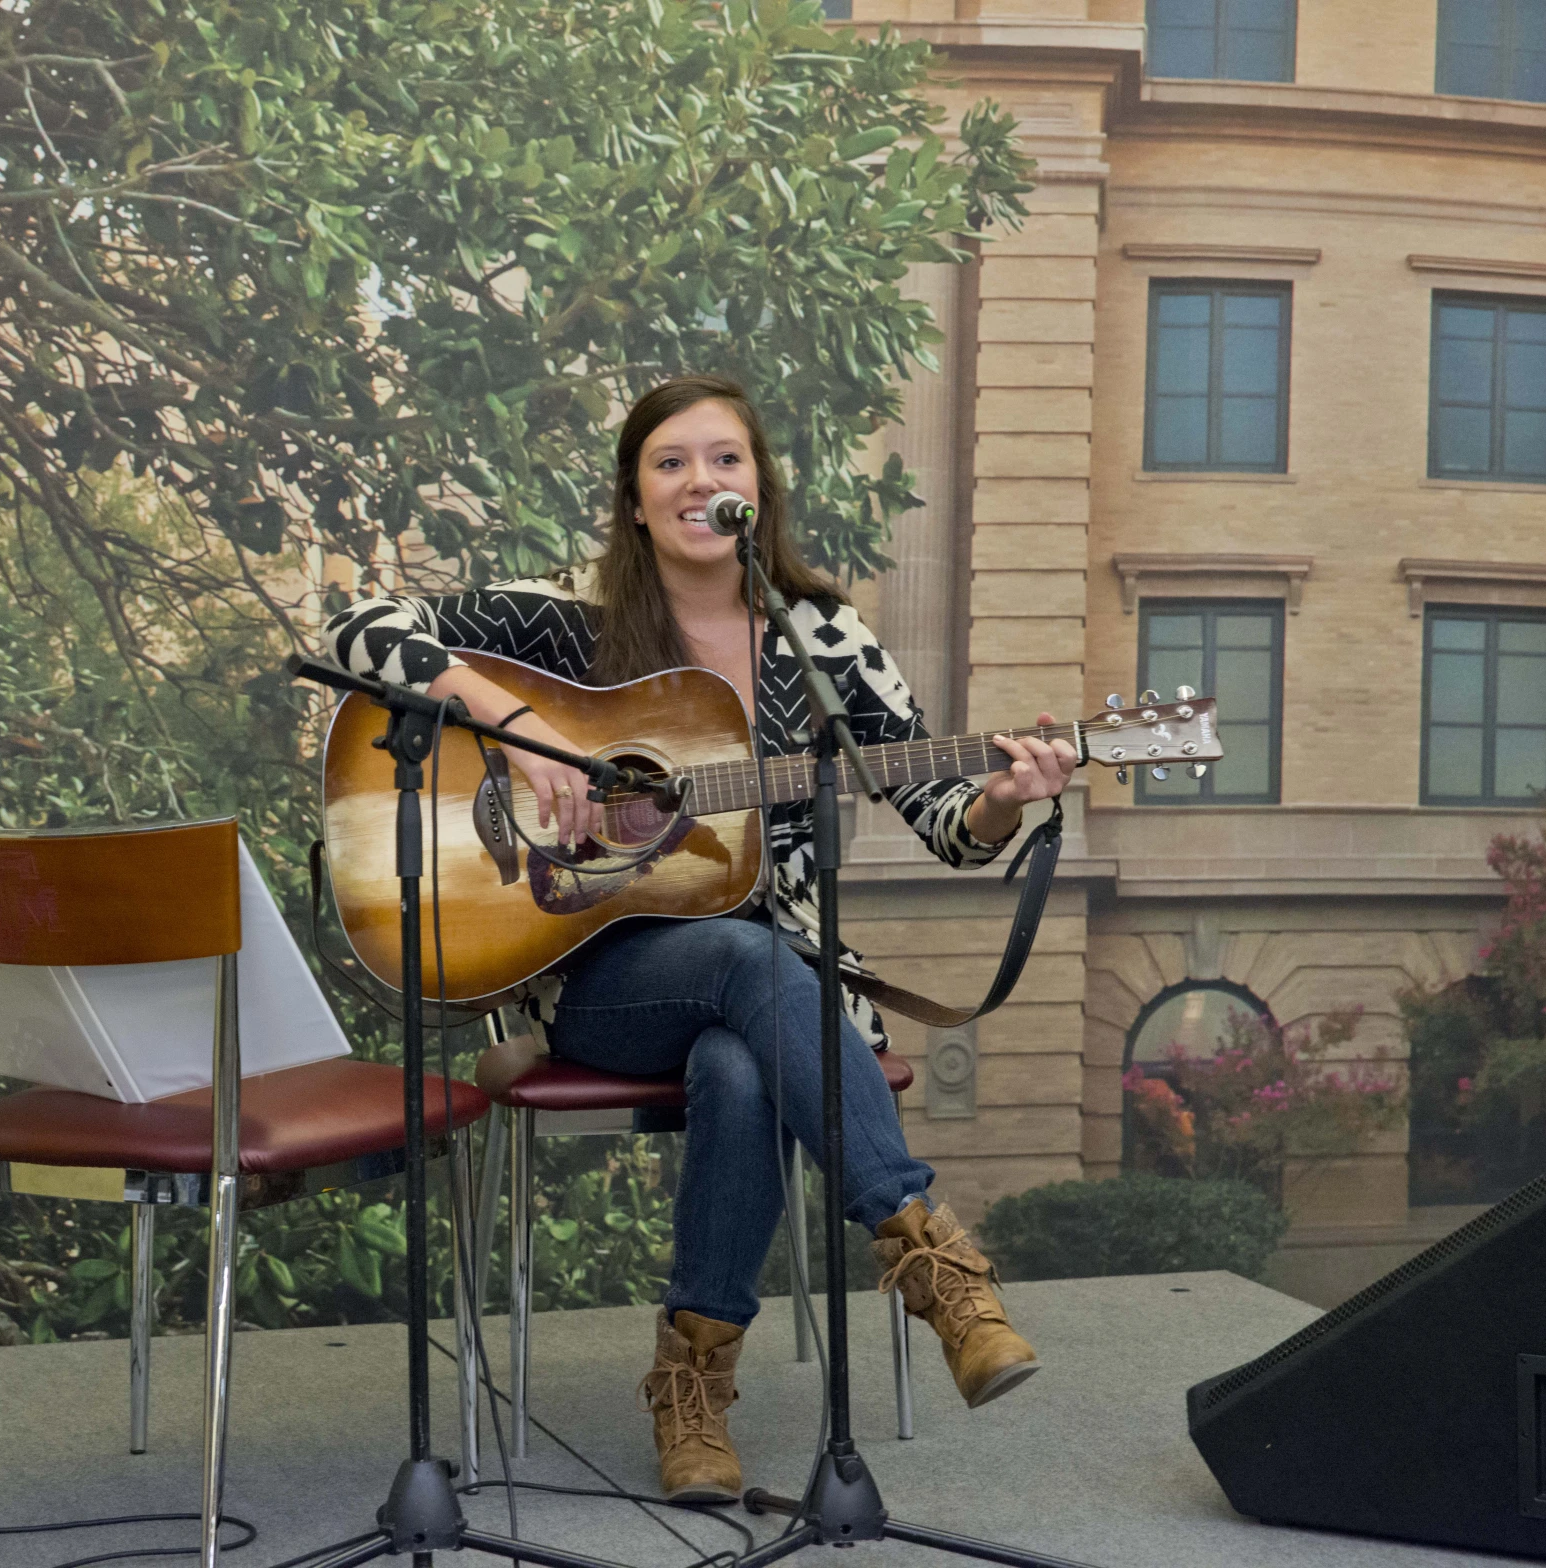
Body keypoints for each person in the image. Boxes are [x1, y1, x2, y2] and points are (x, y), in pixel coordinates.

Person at [323, 374, 1078, 1502]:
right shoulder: (569, 624)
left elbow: (946, 827)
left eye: (725, 459)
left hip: (775, 997)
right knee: (743, 960)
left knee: (742, 1057)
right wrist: (526, 736)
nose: (701, 481)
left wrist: (1010, 796)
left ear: (756, 487)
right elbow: (353, 631)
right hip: (597, 983)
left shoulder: (822, 637)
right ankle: (937, 1264)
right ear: (635, 498)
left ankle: (693, 1391)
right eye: (672, 462)